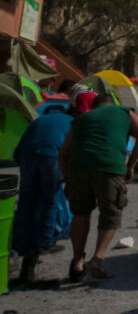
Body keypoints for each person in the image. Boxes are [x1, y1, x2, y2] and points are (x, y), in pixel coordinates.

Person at [59, 94, 138, 281]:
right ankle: (98, 257)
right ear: (113, 104)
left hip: (79, 168)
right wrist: (130, 165)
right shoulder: (125, 112)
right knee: (110, 213)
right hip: (110, 168)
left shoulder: (82, 118)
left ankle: (77, 261)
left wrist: (68, 177)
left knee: (80, 213)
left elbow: (63, 154)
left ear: (94, 106)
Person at [12, 102, 73, 284]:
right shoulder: (70, 121)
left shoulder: (37, 121)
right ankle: (44, 241)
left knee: (26, 201)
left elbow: (17, 152)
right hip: (53, 158)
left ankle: (22, 242)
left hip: (29, 158)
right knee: (50, 199)